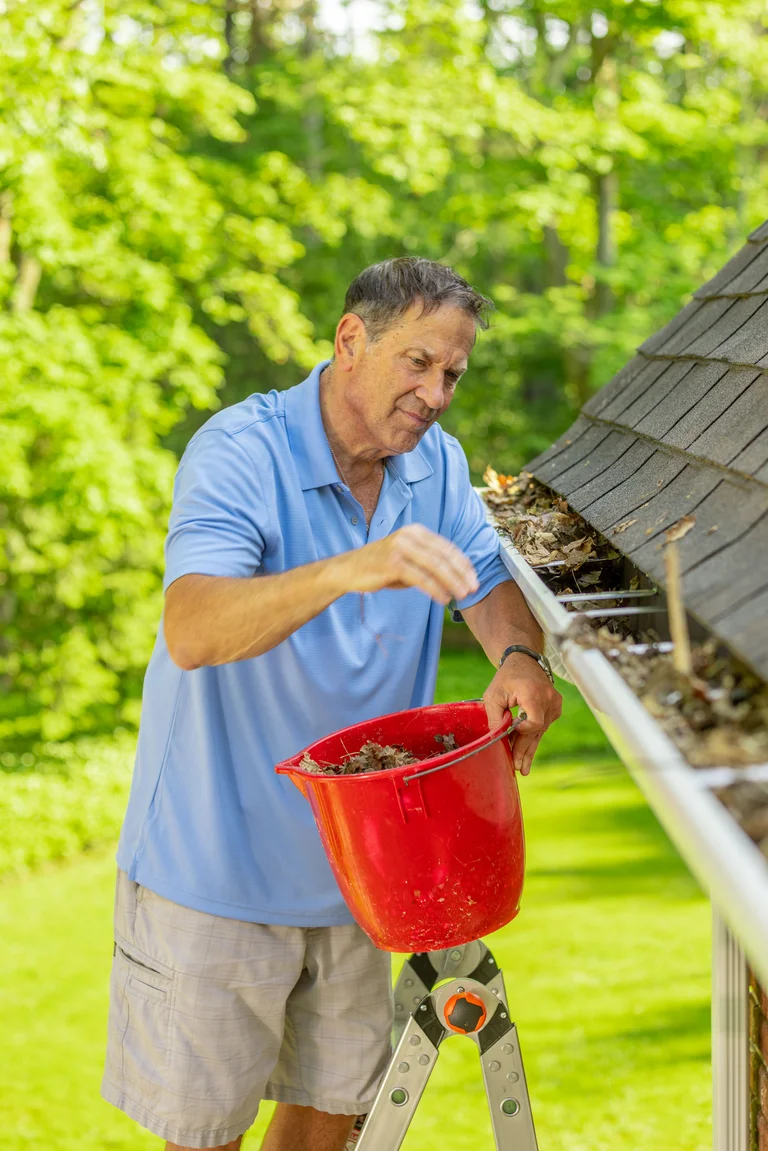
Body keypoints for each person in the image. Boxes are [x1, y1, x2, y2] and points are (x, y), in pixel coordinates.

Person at [102, 257, 562, 1151]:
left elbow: (491, 580)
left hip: (360, 873)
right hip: (215, 866)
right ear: (352, 341)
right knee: (206, 1134)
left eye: (453, 374)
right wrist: (354, 567)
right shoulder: (240, 450)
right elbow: (192, 626)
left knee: (333, 1120)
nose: (437, 394)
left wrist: (514, 655)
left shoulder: (435, 466)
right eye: (419, 363)